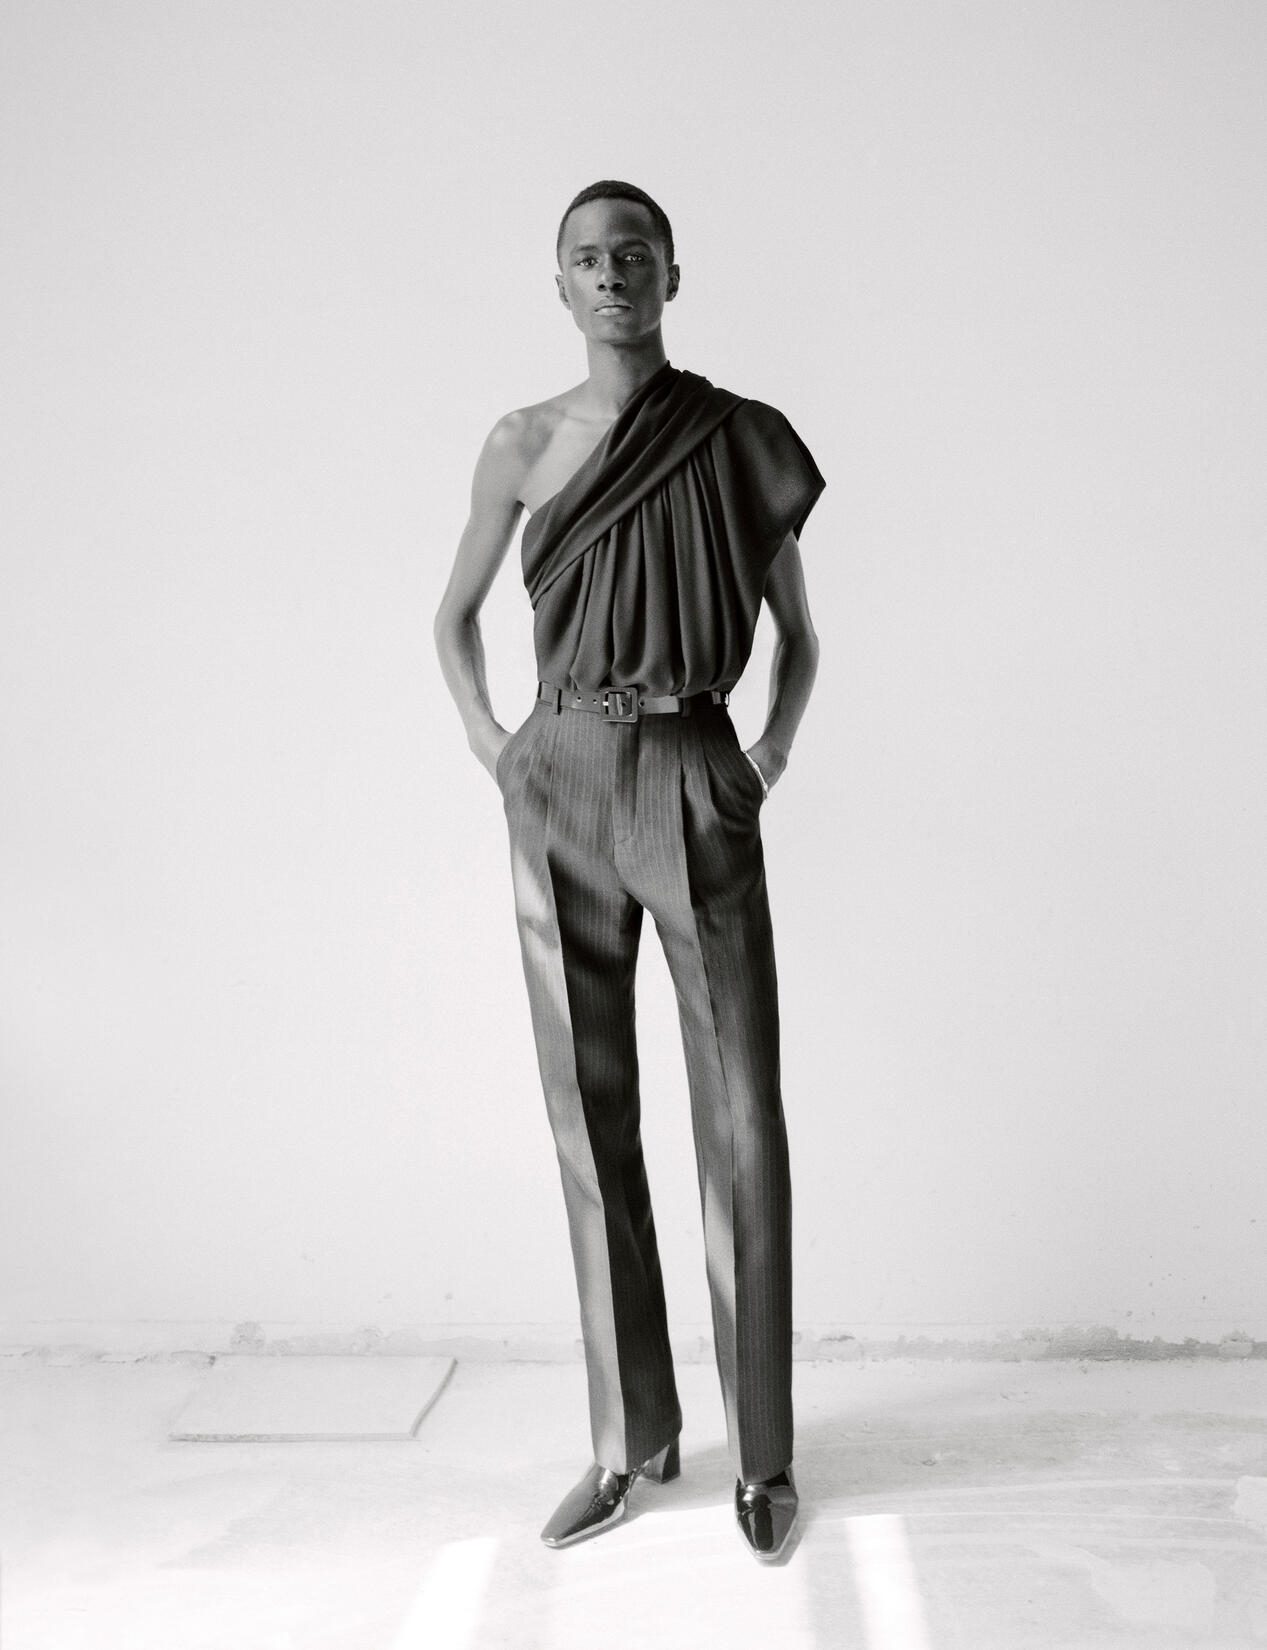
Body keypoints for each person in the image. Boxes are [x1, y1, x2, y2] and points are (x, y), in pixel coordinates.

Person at [434, 180, 823, 1562]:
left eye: (635, 254)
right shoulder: (520, 443)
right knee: (587, 1115)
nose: (613, 275)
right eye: (589, 259)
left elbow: (799, 633)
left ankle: (761, 1455)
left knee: (742, 1114)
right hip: (560, 778)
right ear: (559, 283)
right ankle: (628, 1437)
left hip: (694, 766)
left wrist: (764, 752)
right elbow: (452, 615)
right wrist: (498, 747)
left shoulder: (734, 436)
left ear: (671, 274)